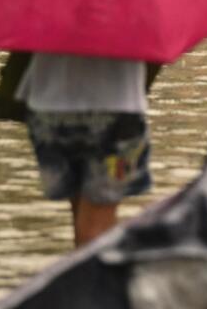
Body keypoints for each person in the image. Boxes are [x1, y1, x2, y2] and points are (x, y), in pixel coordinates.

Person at [16, 53, 153, 247]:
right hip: (117, 111)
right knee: (96, 227)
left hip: (48, 106)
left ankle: (86, 272)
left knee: (82, 218)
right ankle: (95, 276)